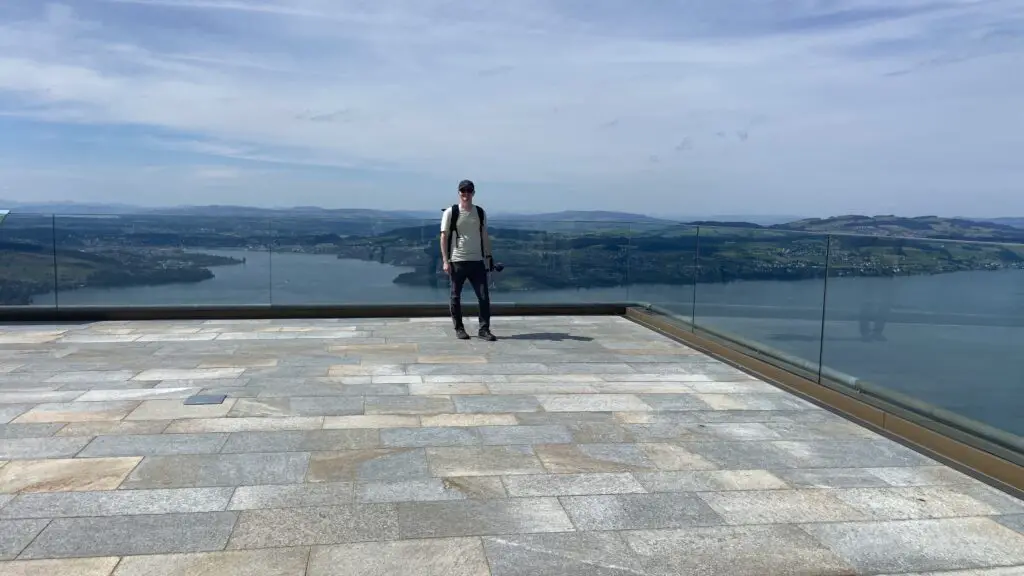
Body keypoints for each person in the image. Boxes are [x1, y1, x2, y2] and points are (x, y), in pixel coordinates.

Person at [440, 179, 497, 341]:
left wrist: (489, 256)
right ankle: (459, 328)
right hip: (457, 259)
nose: (466, 194)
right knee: (455, 296)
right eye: (463, 191)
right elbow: (443, 237)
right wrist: (445, 260)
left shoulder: (479, 212)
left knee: (484, 297)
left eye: (469, 191)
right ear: (458, 193)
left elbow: (484, 235)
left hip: (477, 260)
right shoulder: (451, 212)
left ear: (473, 193)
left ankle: (484, 329)